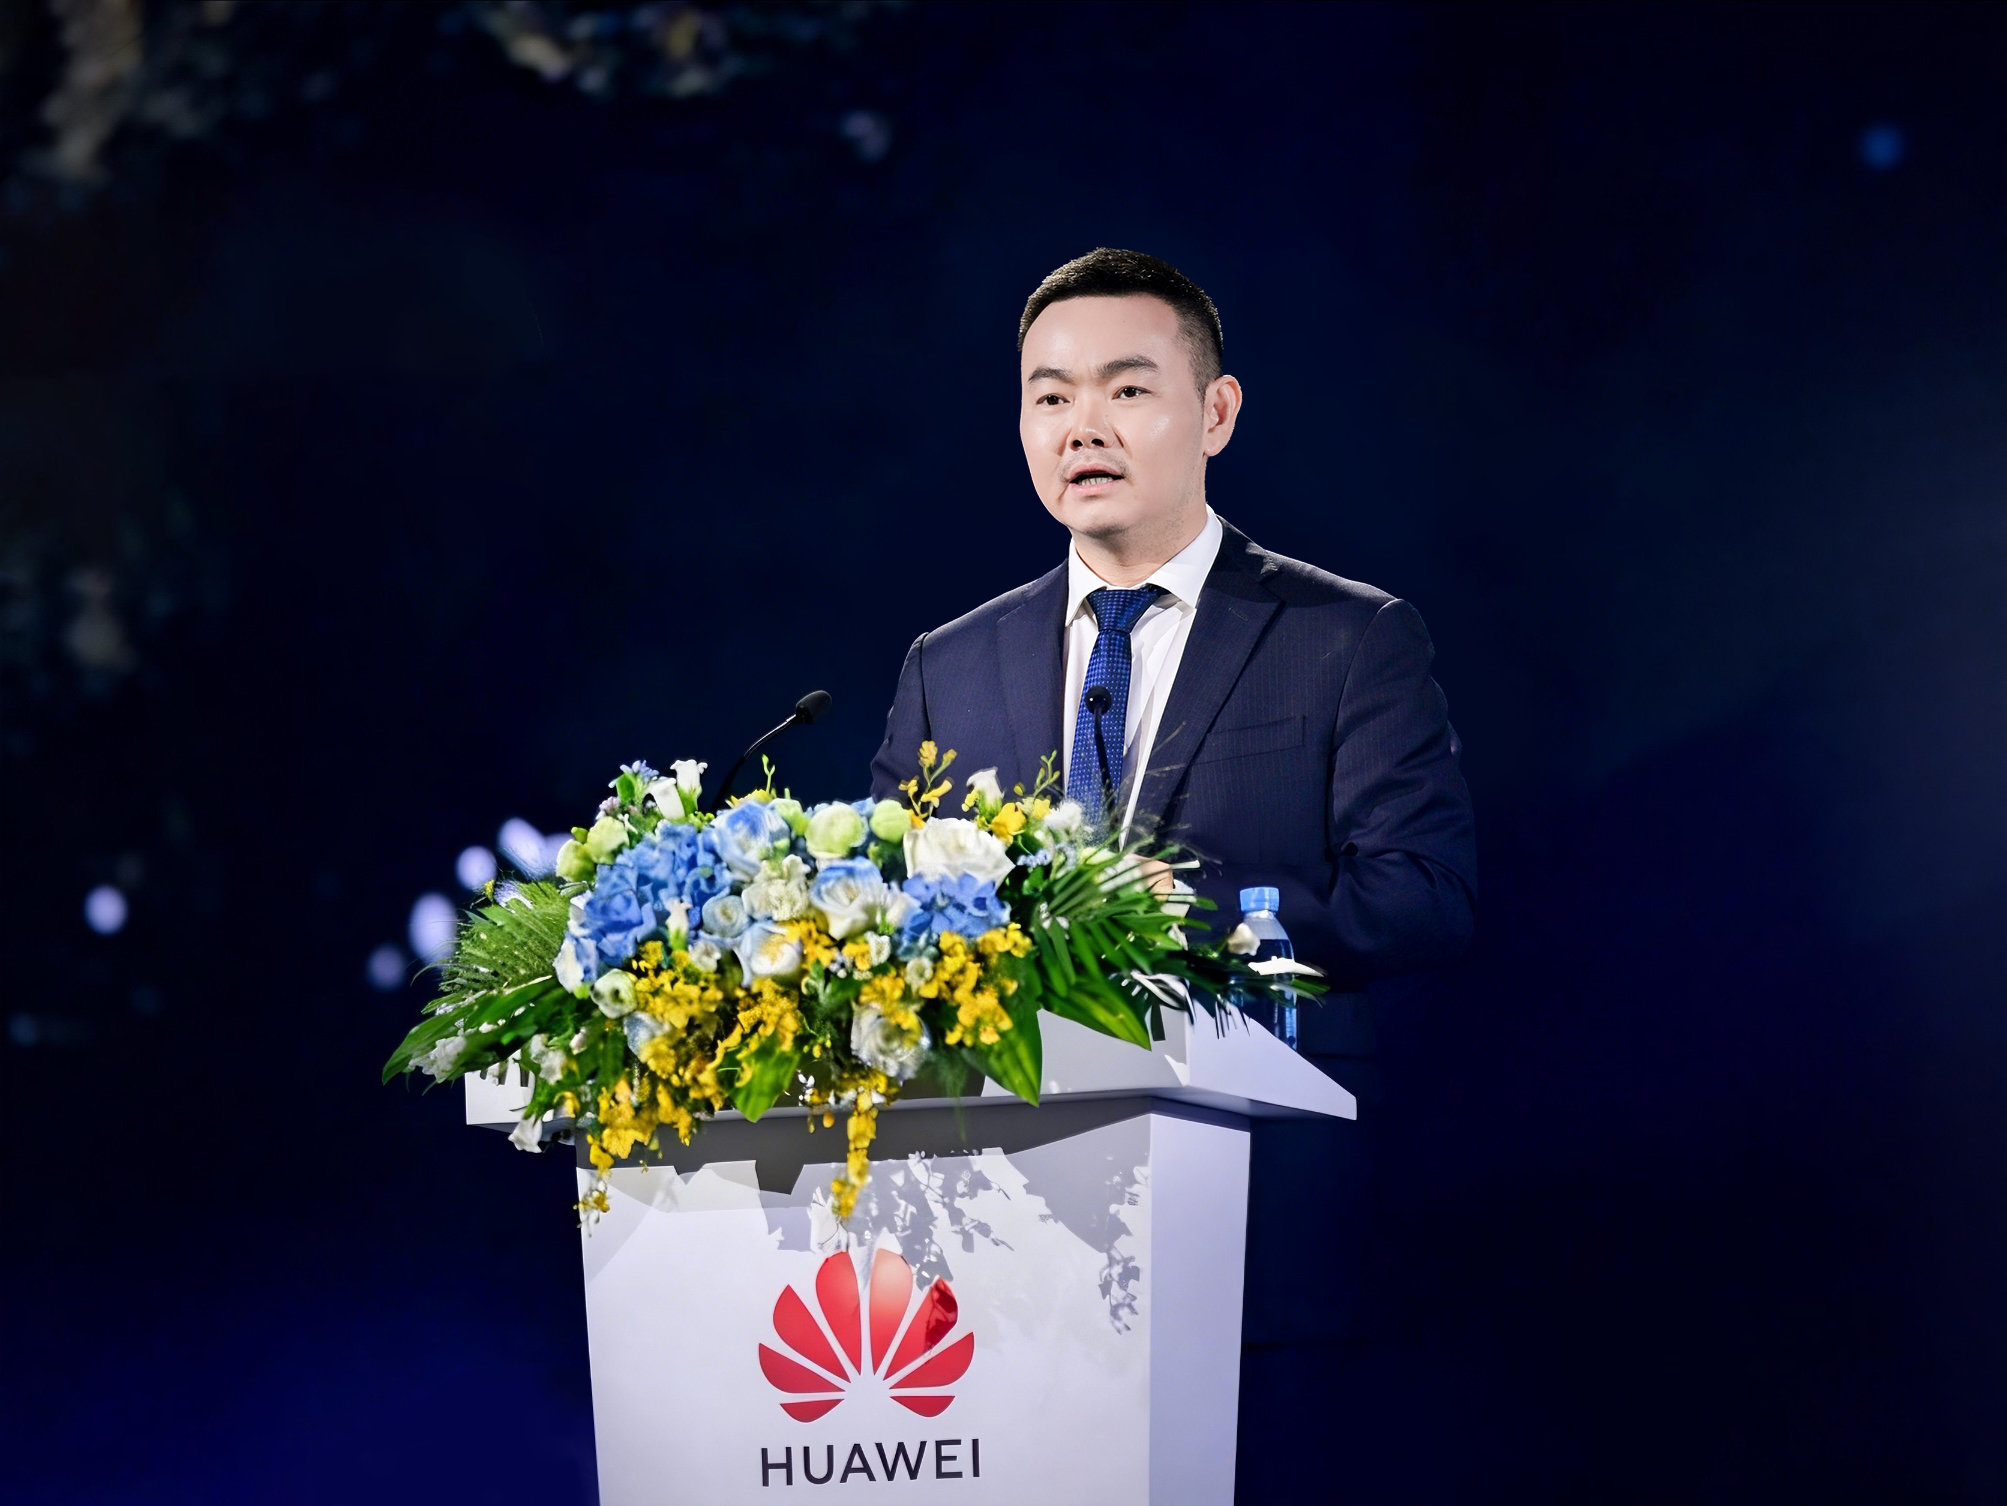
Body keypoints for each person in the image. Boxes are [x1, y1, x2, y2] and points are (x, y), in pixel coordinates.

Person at [870, 248, 1476, 1021]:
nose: (1083, 431)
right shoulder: (947, 665)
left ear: (1215, 413)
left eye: (1126, 390)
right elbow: (887, 907)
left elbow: (1423, 900)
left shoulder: (1347, 638)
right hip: (1001, 1089)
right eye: (1051, 399)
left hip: (1254, 1085)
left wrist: (1189, 905)